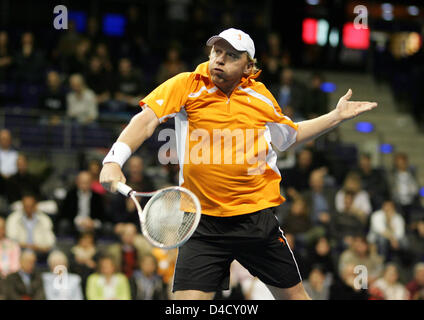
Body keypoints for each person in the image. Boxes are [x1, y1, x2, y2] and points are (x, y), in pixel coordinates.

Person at [99, 28, 377, 300]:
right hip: (201, 221)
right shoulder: (188, 84)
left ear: (249, 67)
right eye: (217, 51)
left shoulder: (260, 96)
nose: (219, 59)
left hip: (254, 218)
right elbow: (146, 120)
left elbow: (290, 137)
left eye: (231, 55)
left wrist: (336, 116)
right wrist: (114, 160)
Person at [59, 170, 108, 237]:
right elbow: (64, 213)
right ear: (77, 182)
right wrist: (78, 221)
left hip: (92, 223)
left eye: (87, 182)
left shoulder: (97, 196)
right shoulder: (71, 195)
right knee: (64, 224)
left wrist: (93, 223)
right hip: (75, 223)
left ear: (91, 182)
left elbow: (102, 215)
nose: (84, 185)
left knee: (107, 227)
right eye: (82, 182)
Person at [6, 194, 55, 259]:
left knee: (57, 257)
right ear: (22, 206)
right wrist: (28, 246)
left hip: (40, 251)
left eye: (31, 206)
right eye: (26, 206)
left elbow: (50, 240)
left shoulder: (44, 219)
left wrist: (41, 247)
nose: (28, 209)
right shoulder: (13, 219)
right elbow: (10, 240)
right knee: (27, 256)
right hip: (20, 251)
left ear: (36, 206)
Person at [0, 217, 21, 299]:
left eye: (1, 228)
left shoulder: (13, 245)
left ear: (4, 229)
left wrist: (6, 273)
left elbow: (16, 265)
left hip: (10, 277)